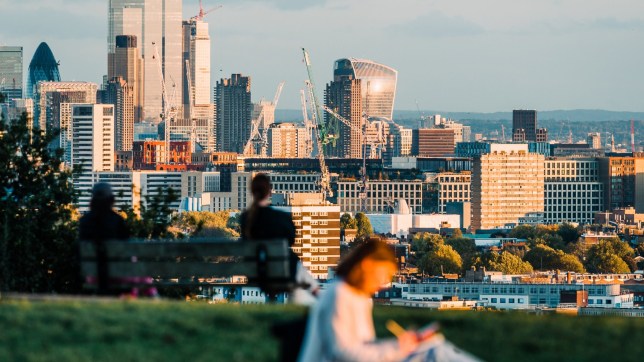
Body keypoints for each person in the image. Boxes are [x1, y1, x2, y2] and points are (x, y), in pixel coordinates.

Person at [298, 238, 481, 362]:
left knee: (435, 347)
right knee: (436, 352)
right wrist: (398, 347)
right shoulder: (340, 294)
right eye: (381, 275)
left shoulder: (356, 296)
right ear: (366, 265)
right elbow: (343, 352)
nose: (382, 282)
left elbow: (363, 348)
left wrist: (405, 343)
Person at [240, 173, 320, 303]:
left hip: (256, 274)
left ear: (252, 192)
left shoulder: (246, 219)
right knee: (300, 271)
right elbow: (292, 240)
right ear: (269, 192)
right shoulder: (281, 217)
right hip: (283, 273)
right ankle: (317, 294)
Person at [79, 183, 157, 298]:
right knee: (137, 267)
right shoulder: (117, 220)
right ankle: (152, 296)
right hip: (117, 274)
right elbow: (126, 247)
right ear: (111, 199)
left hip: (93, 275)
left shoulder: (84, 221)